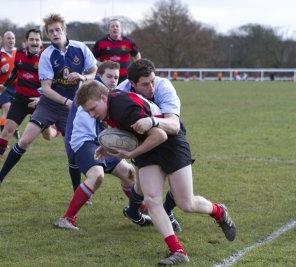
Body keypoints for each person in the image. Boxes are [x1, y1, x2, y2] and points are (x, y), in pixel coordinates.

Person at [76, 78, 236, 266]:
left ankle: (219, 211)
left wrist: (131, 153)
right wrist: (107, 145)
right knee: (152, 200)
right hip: (147, 146)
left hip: (170, 144)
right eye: (88, 112)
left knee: (186, 203)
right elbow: (123, 129)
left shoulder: (121, 107)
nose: (91, 114)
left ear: (103, 98)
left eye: (92, 109)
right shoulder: (111, 105)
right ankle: (178, 251)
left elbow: (160, 135)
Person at [0, 13, 97, 193]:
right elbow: (47, 88)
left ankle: (78, 192)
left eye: (57, 29)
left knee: (72, 151)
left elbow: (93, 69)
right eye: (51, 31)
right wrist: (66, 101)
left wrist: (85, 77)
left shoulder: (81, 48)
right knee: (25, 140)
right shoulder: (47, 56)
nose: (55, 33)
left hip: (71, 109)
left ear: (64, 29)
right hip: (49, 104)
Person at [55, 60, 151, 230]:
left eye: (116, 77)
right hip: (84, 142)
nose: (113, 80)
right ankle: (66, 219)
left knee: (128, 173)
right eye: (109, 76)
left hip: (101, 140)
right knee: (97, 175)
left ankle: (139, 210)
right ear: (99, 76)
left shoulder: (110, 95)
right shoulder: (89, 93)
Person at [0, 29, 58, 175]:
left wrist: (42, 99)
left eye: (37, 40)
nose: (34, 42)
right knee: (7, 131)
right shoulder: (19, 54)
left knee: (48, 136)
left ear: (41, 42)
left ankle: (56, 130)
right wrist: (5, 85)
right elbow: (16, 70)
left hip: (39, 103)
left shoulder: (47, 57)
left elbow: (54, 82)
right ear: (26, 42)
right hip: (20, 100)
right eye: (31, 40)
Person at [116, 59, 184, 233]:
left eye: (153, 81)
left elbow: (174, 126)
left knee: (179, 186)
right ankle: (133, 211)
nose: (151, 87)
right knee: (141, 187)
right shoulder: (120, 92)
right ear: (132, 84)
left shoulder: (164, 86)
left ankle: (167, 211)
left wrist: (152, 121)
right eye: (145, 84)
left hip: (170, 135)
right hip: (142, 139)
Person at [92, 18, 141, 84]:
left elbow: (136, 54)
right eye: (112, 26)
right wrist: (101, 64)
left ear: (121, 29)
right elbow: (92, 58)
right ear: (108, 30)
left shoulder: (129, 42)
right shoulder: (100, 43)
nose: (115, 28)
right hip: (106, 77)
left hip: (125, 78)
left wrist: (136, 67)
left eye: (117, 26)